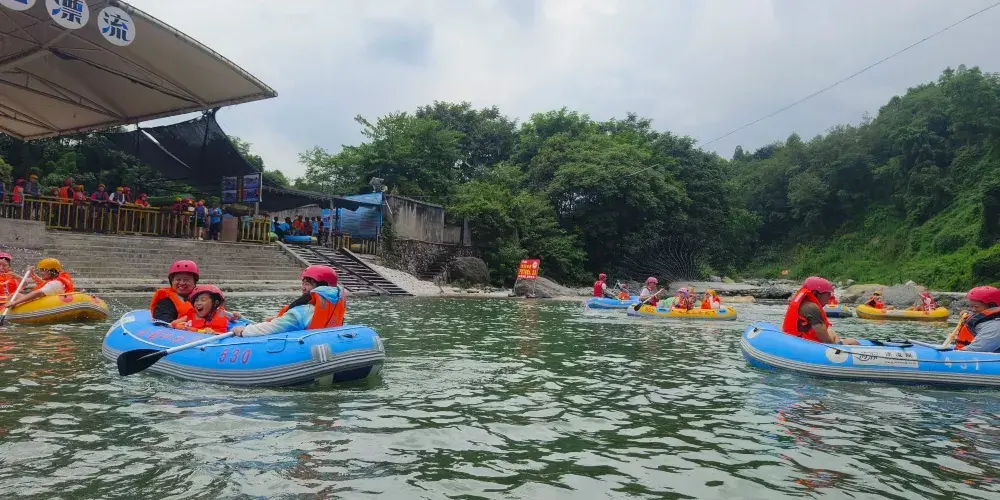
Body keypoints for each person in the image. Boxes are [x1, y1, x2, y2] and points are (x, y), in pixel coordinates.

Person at [232, 265, 345, 337]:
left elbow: (274, 327)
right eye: (303, 284)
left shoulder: (303, 311)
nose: (303, 288)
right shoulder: (334, 307)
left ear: (321, 287)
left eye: (307, 284)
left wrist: (243, 331)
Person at [782, 276, 859, 345]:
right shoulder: (811, 308)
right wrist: (839, 345)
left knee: (831, 332)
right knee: (853, 342)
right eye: (828, 294)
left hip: (794, 338)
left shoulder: (803, 303)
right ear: (815, 293)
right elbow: (825, 340)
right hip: (804, 344)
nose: (830, 297)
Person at [6, 258, 74, 309]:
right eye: (41, 270)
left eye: (43, 270)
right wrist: (32, 274)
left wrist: (15, 302)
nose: (41, 273)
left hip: (44, 306)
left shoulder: (55, 284)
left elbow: (37, 293)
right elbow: (42, 283)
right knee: (15, 295)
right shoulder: (57, 279)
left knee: (15, 296)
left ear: (52, 271)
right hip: (49, 302)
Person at [955, 286, 1000, 352]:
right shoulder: (985, 319)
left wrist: (956, 353)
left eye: (976, 307)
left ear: (992, 307)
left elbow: (980, 348)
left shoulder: (995, 326)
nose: (973, 310)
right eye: (971, 306)